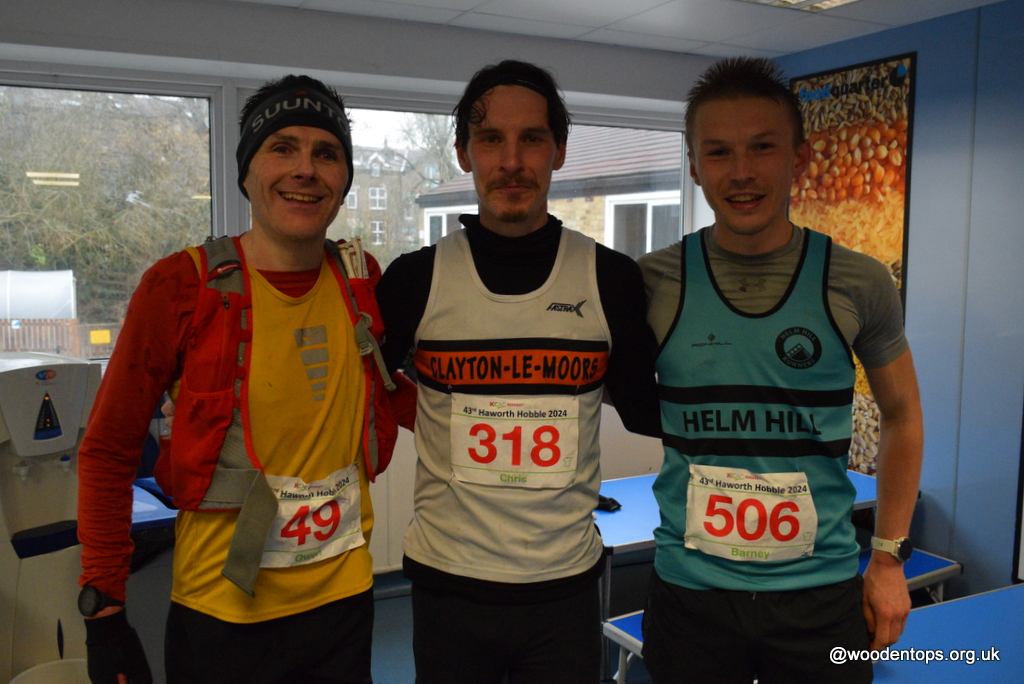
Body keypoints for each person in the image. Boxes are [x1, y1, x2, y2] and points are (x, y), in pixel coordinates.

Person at [76, 74, 414, 684]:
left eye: (326, 153)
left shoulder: (363, 281)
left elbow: (403, 397)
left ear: (343, 183)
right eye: (282, 148)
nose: (305, 169)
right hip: (223, 613)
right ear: (248, 172)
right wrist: (103, 608)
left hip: (343, 603)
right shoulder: (181, 287)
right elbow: (108, 450)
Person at [637, 56, 924, 683]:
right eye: (718, 153)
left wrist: (888, 559)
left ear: (797, 156)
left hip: (819, 597)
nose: (741, 173)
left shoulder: (859, 281)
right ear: (693, 166)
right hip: (691, 596)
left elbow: (903, 416)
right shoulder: (651, 282)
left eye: (763, 148)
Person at [375, 59, 661, 684]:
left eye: (531, 138)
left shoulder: (610, 279)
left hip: (564, 592)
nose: (511, 160)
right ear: (463, 153)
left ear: (559, 150)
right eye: (490, 139)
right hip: (448, 588)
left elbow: (646, 409)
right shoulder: (413, 281)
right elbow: (360, 397)